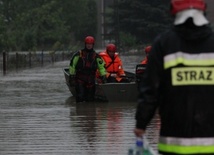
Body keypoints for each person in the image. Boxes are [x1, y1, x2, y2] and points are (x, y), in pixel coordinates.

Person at [134, 0, 214, 154]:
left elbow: (150, 90)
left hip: (173, 142)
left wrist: (141, 124)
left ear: (174, 12)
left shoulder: (163, 44)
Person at [69, 36, 107, 103]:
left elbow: (101, 67)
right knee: (80, 97)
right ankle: (80, 112)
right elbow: (72, 65)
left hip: (91, 80)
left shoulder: (96, 56)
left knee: (90, 99)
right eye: (88, 44)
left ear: (93, 45)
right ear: (85, 44)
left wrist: (103, 76)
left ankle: (89, 112)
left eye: (90, 44)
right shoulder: (78, 54)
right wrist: (71, 76)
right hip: (80, 79)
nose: (89, 46)